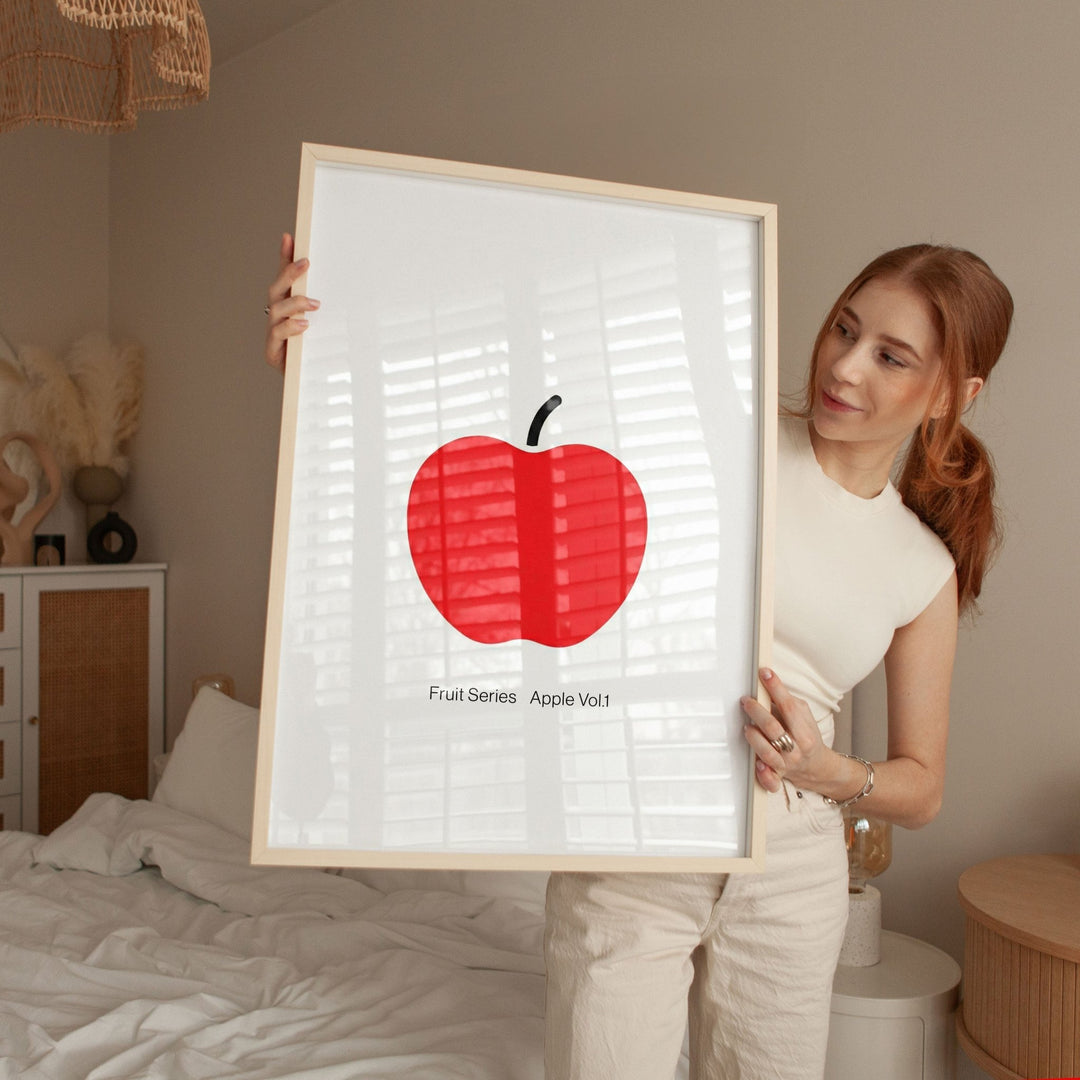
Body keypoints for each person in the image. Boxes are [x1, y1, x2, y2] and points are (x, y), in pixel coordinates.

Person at [265, 234, 1013, 1080]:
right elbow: (493, 448)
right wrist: (316, 361)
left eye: (890, 355)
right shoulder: (723, 435)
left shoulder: (923, 568)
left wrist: (828, 769)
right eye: (844, 330)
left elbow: (923, 786)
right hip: (635, 838)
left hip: (793, 870)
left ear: (953, 392)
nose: (844, 368)